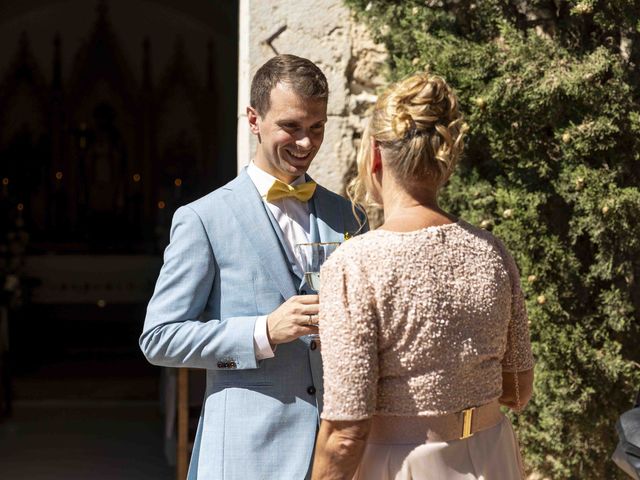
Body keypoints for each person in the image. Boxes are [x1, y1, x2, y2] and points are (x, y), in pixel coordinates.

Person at [140, 54, 365, 480]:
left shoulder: (350, 217)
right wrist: (262, 332)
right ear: (253, 119)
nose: (306, 143)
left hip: (337, 456)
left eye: (317, 128)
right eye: (292, 127)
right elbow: (159, 339)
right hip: (245, 456)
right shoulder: (204, 218)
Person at [312, 72, 535, 479]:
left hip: (404, 464)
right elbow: (518, 390)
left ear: (376, 156)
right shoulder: (492, 251)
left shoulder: (356, 264)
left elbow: (346, 432)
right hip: (491, 454)